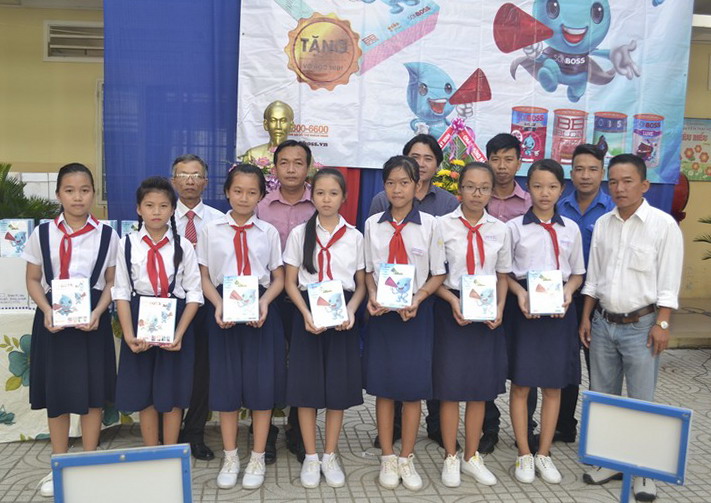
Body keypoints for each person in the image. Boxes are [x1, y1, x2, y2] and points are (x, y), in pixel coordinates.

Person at [579, 153, 683, 502]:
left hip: (643, 326)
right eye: (613, 182)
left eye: (627, 181)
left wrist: (662, 323)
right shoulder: (604, 224)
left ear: (644, 185)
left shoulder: (663, 225)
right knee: (604, 398)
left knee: (642, 400)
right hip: (603, 323)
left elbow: (669, 282)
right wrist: (586, 317)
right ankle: (611, 462)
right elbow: (594, 278)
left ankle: (644, 472)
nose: (619, 188)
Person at [23, 163, 120, 498]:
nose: (78, 197)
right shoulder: (42, 234)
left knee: (92, 395)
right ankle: (60, 465)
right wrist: (47, 309)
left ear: (93, 193)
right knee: (58, 395)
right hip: (53, 321)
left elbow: (112, 281)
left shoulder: (108, 235)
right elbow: (33, 279)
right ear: (58, 194)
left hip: (92, 320)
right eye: (70, 190)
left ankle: (90, 464)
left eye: (84, 190)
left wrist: (98, 311)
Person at [199, 163, 286, 490]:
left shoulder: (268, 233)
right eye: (238, 191)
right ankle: (231, 456)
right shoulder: (211, 230)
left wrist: (264, 303)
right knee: (226, 386)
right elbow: (203, 275)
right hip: (223, 311)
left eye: (252, 192)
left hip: (260, 312)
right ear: (226, 192)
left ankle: (258, 456)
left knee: (261, 387)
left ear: (261, 196)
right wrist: (218, 304)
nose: (244, 197)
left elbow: (278, 278)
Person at [368, 134, 457, 449]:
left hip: (417, 313)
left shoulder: (432, 224)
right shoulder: (373, 223)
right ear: (384, 186)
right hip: (382, 314)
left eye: (404, 183)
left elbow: (438, 272)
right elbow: (366, 270)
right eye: (391, 183)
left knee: (413, 388)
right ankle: (388, 455)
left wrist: (418, 298)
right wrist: (372, 295)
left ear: (415, 184)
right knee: (383, 386)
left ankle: (406, 455)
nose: (397, 190)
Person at [283, 168, 366, 488]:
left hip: (341, 313)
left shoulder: (355, 236)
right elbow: (290, 283)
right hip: (308, 314)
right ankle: (311, 455)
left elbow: (361, 284)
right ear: (312, 196)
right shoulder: (299, 234)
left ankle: (330, 455)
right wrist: (305, 314)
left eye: (333, 193)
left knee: (337, 390)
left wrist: (351, 311)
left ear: (344, 197)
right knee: (306, 390)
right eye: (320, 193)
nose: (326, 199)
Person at [506, 159, 584, 485]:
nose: (544, 193)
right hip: (525, 310)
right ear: (529, 188)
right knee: (521, 384)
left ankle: (544, 452)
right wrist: (520, 294)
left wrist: (568, 292)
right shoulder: (514, 228)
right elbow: (505, 273)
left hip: (559, 313)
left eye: (552, 187)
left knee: (553, 386)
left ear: (561, 190)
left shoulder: (572, 229)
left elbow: (577, 273)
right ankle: (524, 452)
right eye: (537, 186)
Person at [434, 162, 510, 488]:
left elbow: (503, 275)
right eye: (470, 187)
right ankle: (450, 456)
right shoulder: (442, 226)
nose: (476, 194)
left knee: (479, 390)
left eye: (483, 188)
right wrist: (452, 301)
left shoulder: (500, 229)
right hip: (452, 310)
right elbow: (434, 275)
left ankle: (471, 456)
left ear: (491, 192)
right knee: (450, 389)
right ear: (459, 189)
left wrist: (500, 307)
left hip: (486, 313)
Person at [113, 176, 203, 449]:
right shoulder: (127, 244)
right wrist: (129, 335)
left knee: (172, 392)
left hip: (174, 319)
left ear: (173, 209)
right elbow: (121, 291)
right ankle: (152, 451)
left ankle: (171, 453)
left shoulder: (183, 246)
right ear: (138, 208)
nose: (156, 212)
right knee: (146, 393)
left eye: (163, 206)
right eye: (149, 205)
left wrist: (179, 334)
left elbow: (194, 293)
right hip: (139, 317)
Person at [256, 139, 316, 463]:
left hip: (307, 296)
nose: (291, 169)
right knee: (267, 365)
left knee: (304, 365)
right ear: (275, 167)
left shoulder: (320, 201)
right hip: (268, 296)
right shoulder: (261, 204)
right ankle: (263, 433)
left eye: (298, 163)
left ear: (308, 167)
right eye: (284, 163)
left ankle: (297, 429)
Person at [480, 133, 535, 455]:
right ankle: (488, 427)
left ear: (519, 162)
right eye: (496, 159)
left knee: (526, 362)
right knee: (486, 362)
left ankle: (526, 428)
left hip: (525, 295)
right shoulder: (477, 197)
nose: (501, 166)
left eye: (508, 159)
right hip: (483, 295)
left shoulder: (530, 202)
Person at [555, 144, 614, 443]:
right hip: (563, 296)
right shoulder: (559, 206)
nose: (585, 175)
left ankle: (600, 435)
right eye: (579, 169)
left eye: (592, 169)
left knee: (600, 369)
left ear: (602, 173)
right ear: (571, 172)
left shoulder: (612, 210)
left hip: (600, 300)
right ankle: (563, 426)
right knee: (565, 365)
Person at [171, 154, 224, 461]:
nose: (189, 181)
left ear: (206, 182)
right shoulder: (160, 215)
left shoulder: (219, 221)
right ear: (173, 181)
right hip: (170, 303)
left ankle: (194, 432)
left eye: (196, 175)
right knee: (172, 368)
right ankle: (169, 431)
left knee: (204, 370)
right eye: (183, 175)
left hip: (206, 302)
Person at [241, 100, 295, 168]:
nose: (278, 127)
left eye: (283, 121)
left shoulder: (301, 156)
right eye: (273, 120)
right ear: (266, 124)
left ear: (291, 125)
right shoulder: (252, 155)